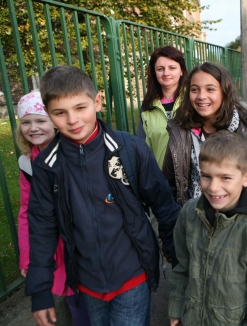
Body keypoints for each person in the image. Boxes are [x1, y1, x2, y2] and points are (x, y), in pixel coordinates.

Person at [25, 66, 180, 326]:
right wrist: (40, 290)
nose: (72, 120)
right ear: (49, 115)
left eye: (80, 108)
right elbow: (42, 226)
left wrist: (179, 262)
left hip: (132, 275)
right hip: (87, 283)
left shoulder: (130, 149)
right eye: (60, 113)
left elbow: (164, 205)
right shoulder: (46, 166)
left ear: (97, 102)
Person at [163, 62, 247, 244]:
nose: (201, 96)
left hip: (237, 225)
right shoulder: (180, 131)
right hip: (195, 226)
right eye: (195, 89)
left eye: (210, 89)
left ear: (224, 91)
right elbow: (169, 185)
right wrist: (169, 235)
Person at [168, 131, 247, 325]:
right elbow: (182, 266)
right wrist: (177, 307)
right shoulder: (189, 213)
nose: (213, 187)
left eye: (225, 178)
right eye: (206, 176)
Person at [15, 92, 90, 326]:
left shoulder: (74, 152)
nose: (33, 128)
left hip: (82, 236)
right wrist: (28, 257)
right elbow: (27, 212)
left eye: (40, 120)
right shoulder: (27, 163)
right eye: (26, 122)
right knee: (73, 297)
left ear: (55, 124)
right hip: (53, 242)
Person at [137, 46, 188, 169]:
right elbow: (142, 149)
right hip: (161, 181)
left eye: (172, 68)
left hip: (193, 181)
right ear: (154, 72)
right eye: (160, 69)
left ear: (181, 71)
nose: (166, 73)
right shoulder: (147, 108)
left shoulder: (192, 101)